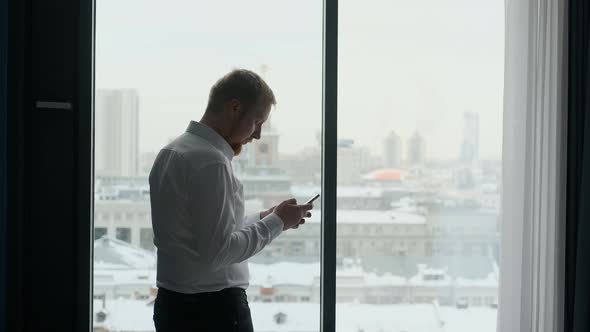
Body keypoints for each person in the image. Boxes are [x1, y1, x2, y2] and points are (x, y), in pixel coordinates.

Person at [149, 69, 314, 332]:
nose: (258, 134)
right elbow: (220, 251)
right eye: (257, 121)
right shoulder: (211, 162)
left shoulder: (171, 152)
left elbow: (201, 232)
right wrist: (278, 223)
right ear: (234, 107)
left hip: (173, 304)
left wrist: (265, 217)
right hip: (213, 311)